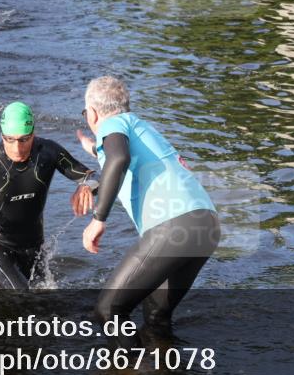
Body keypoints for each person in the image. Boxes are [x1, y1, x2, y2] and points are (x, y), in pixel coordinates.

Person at [76, 76, 219, 340]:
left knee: (108, 310)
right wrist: (96, 151)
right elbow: (120, 157)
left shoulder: (113, 124)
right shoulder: (139, 126)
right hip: (206, 225)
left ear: (93, 114)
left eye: (86, 113)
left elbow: (119, 158)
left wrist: (98, 218)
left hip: (175, 227)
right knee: (155, 318)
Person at [0, 102, 96, 289]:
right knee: (22, 295)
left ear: (33, 133)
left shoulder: (48, 152)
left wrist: (86, 185)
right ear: (1, 134)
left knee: (44, 299)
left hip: (34, 246)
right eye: (9, 139)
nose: (17, 148)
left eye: (24, 140)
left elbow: (94, 177)